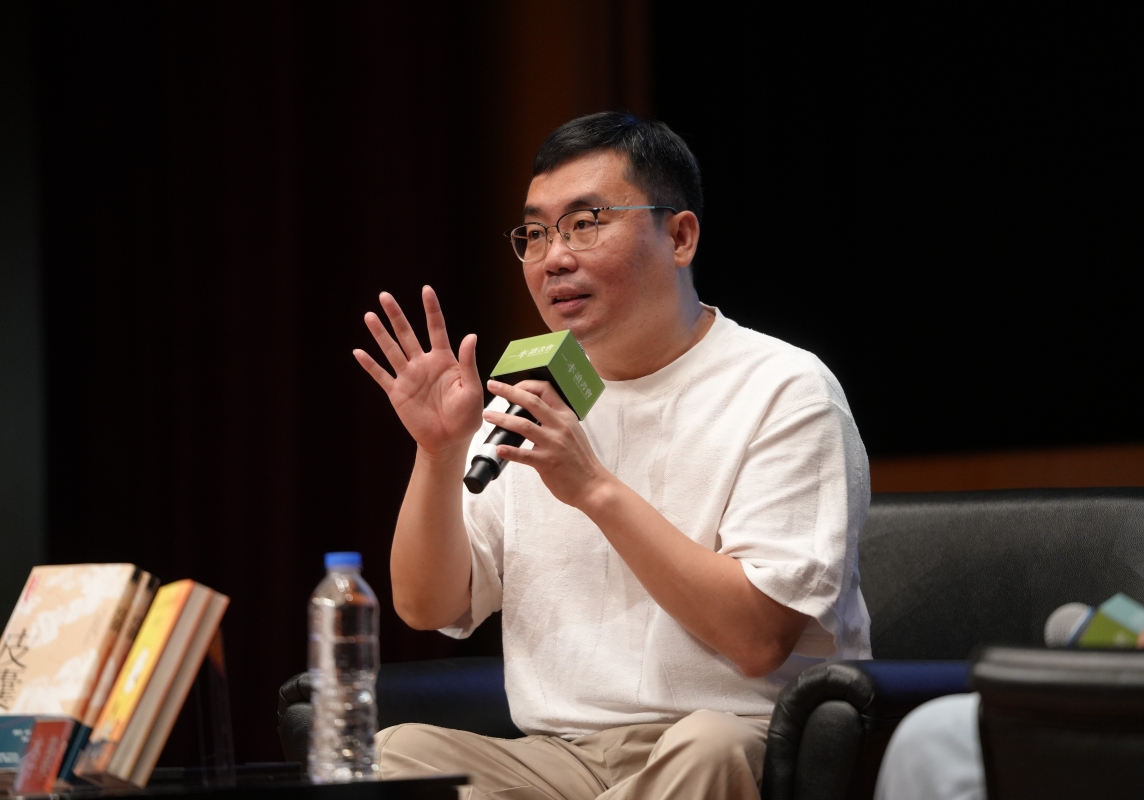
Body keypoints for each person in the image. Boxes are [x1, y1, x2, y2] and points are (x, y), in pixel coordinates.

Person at [353, 112, 872, 800]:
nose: (553, 258)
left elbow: (758, 639)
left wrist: (594, 489)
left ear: (679, 237)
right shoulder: (531, 393)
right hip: (558, 758)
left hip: (726, 739)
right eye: (535, 234)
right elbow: (428, 605)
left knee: (708, 748)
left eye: (584, 224)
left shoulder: (783, 387)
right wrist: (439, 454)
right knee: (390, 756)